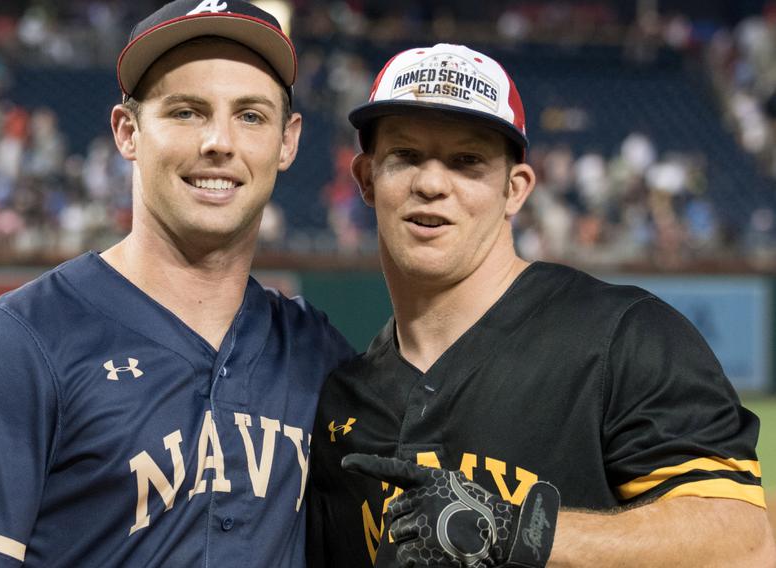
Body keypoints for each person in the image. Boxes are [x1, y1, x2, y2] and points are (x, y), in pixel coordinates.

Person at [0, 1, 354, 566]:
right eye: (186, 112)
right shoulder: (18, 345)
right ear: (127, 131)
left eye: (251, 116)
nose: (219, 142)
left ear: (288, 141)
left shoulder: (317, 354)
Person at [307, 43, 775, 567]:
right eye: (406, 157)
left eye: (467, 162)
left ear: (516, 189)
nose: (432, 183)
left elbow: (744, 545)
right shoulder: (344, 402)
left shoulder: (622, 337)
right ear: (368, 180)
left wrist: (518, 534)